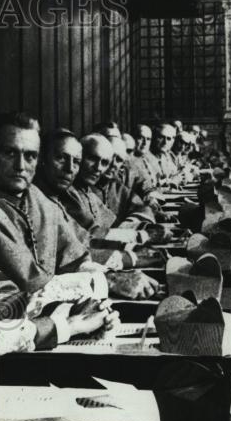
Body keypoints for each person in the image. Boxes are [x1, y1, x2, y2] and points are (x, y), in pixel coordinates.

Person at [0, 113, 117, 339]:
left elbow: (75, 254)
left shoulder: (35, 195)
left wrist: (93, 301)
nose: (20, 166)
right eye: (9, 153)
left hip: (48, 324)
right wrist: (94, 292)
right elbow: (28, 285)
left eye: (30, 156)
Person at [30, 128, 160, 300]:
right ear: (41, 160)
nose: (69, 168)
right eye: (61, 158)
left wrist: (132, 251)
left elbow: (80, 246)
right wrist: (129, 257)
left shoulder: (49, 198)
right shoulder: (51, 197)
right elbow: (90, 239)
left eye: (75, 161)